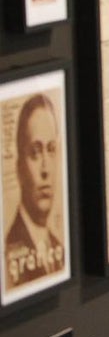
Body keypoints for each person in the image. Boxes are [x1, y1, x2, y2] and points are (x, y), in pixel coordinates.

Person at [5, 94, 65, 289]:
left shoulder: (60, 249)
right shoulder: (8, 250)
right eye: (35, 152)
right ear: (19, 167)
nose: (45, 169)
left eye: (51, 149)